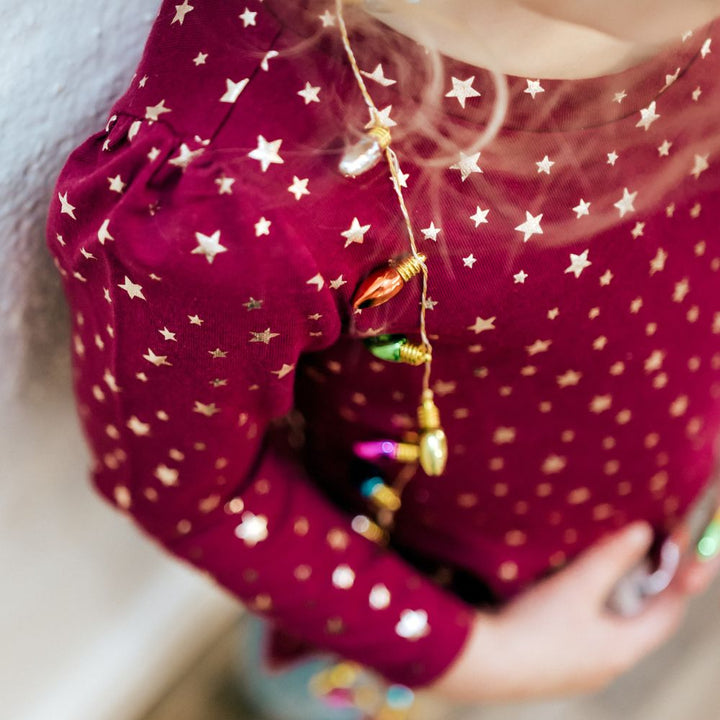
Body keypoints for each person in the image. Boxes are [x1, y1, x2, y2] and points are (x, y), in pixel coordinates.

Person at [46, 0, 720, 711]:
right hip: (406, 619)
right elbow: (191, 491)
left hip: (622, 541)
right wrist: (483, 660)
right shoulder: (233, 195)